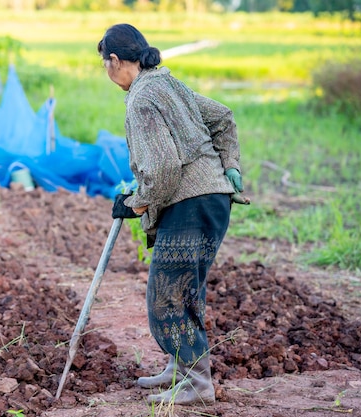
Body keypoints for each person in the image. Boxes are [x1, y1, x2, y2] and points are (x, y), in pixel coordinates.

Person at [100, 23, 248, 406]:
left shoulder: (142, 98)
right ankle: (180, 368)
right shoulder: (165, 82)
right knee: (186, 292)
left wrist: (138, 202)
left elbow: (164, 167)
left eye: (105, 63)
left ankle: (198, 384)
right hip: (211, 199)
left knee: (166, 297)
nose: (106, 71)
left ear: (115, 60)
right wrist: (229, 163)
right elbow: (223, 117)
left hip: (190, 204)